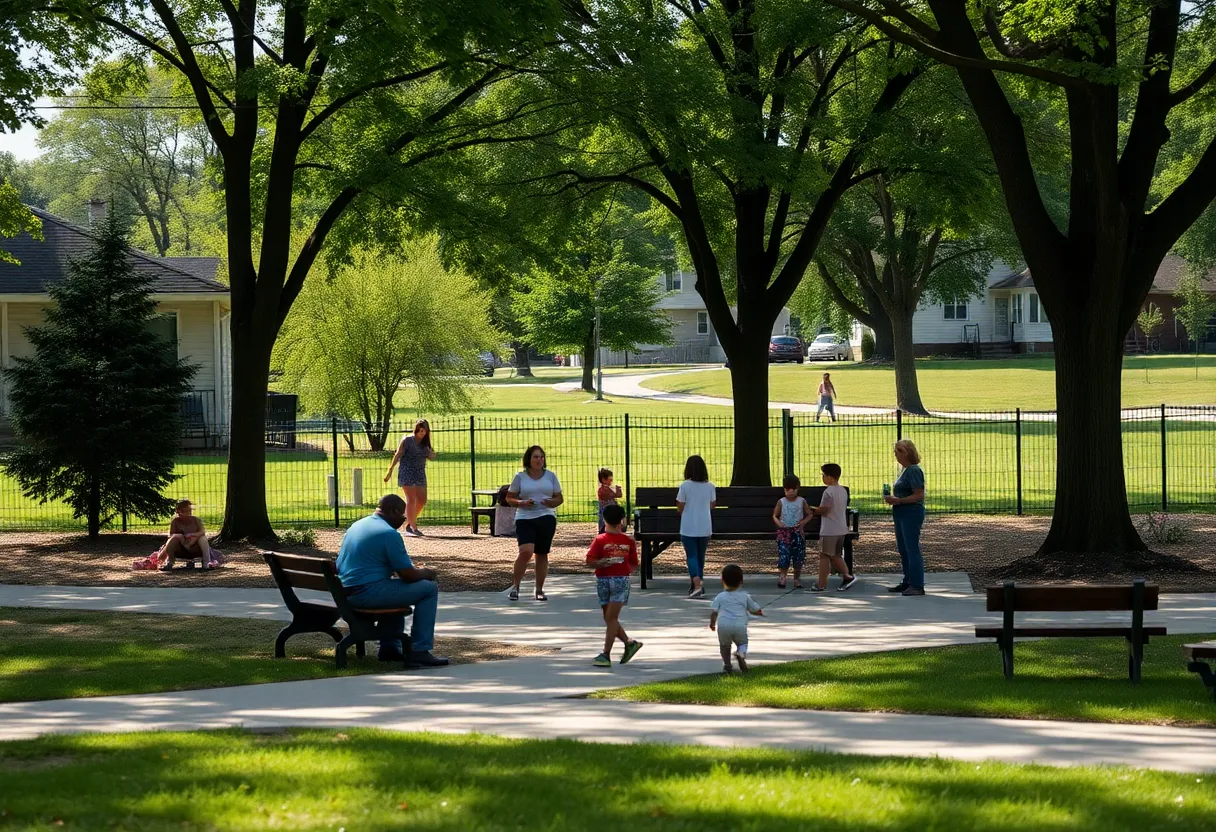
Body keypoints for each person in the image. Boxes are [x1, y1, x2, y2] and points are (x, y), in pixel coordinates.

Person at [336, 494, 449, 666]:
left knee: (393, 588)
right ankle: (420, 649)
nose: (403, 520)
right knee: (428, 589)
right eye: (402, 516)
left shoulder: (358, 525)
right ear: (393, 510)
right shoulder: (388, 533)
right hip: (366, 593)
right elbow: (408, 575)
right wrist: (427, 573)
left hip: (346, 592)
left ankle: (390, 648)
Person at [586, 504, 644, 668]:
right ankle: (629, 643)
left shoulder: (627, 540)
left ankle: (606, 654)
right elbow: (590, 561)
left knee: (611, 618)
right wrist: (602, 563)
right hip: (603, 579)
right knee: (608, 617)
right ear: (622, 520)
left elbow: (633, 563)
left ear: (604, 519)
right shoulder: (600, 540)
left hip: (619, 580)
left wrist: (624, 572)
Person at [506, 445, 563, 601]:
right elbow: (509, 498)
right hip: (525, 517)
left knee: (542, 553)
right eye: (536, 457)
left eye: (541, 457)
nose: (539, 460)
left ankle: (539, 589)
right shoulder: (520, 477)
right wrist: (521, 502)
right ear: (529, 460)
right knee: (526, 551)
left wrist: (551, 502)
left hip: (546, 516)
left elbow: (559, 498)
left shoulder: (550, 476)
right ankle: (516, 586)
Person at [884, 439, 926, 596]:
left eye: (900, 450)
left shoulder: (914, 470)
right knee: (903, 549)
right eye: (895, 450)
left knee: (911, 548)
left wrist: (899, 500)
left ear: (908, 453)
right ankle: (908, 580)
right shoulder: (904, 470)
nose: (896, 454)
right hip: (900, 512)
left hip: (911, 513)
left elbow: (918, 495)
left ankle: (917, 584)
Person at [383, 419, 437, 537]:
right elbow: (397, 455)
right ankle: (413, 527)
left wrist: (432, 454)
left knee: (422, 500)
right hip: (407, 472)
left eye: (425, 431)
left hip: (419, 473)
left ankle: (408, 521)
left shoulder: (425, 443)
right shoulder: (407, 440)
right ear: (416, 429)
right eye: (421, 431)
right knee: (411, 500)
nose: (422, 433)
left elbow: (431, 455)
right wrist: (390, 470)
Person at [810, 463, 858, 592]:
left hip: (829, 529)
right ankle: (846, 576)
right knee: (835, 555)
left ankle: (822, 584)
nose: (823, 478)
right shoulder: (842, 490)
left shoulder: (828, 492)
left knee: (824, 555)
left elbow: (825, 509)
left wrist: (812, 510)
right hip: (841, 527)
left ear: (830, 477)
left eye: (824, 475)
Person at [709, 564, 762, 674]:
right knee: (742, 643)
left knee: (724, 646)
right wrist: (758, 612)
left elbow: (714, 612)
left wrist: (712, 623)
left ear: (722, 580)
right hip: (739, 626)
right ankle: (740, 655)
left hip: (723, 626)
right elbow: (755, 609)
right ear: (741, 582)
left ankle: (727, 665)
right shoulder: (745, 596)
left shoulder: (720, 596)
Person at [676, 454, 716, 598]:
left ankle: (697, 583)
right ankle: (698, 584)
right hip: (705, 526)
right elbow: (712, 505)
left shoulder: (685, 486)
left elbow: (680, 505)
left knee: (691, 555)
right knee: (701, 556)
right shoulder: (710, 486)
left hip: (688, 526)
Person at [772, 474, 812, 589]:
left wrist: (803, 522)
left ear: (797, 488)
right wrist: (779, 523)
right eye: (787, 489)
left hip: (797, 533)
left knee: (798, 556)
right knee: (784, 555)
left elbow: (809, 514)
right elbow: (775, 515)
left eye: (793, 489)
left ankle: (796, 578)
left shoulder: (801, 501)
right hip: (784, 534)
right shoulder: (781, 502)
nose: (790, 492)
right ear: (784, 489)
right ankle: (783, 577)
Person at [157, 500, 212, 571]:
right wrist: (181, 538)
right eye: (186, 511)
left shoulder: (196, 520)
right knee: (173, 539)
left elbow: (202, 532)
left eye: (190, 511)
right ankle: (170, 562)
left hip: (194, 547)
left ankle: (206, 564)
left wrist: (194, 536)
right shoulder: (175, 522)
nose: (189, 513)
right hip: (181, 549)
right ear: (179, 512)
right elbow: (171, 536)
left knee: (203, 538)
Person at [596, 467, 623, 533]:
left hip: (609, 511)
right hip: (606, 512)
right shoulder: (603, 490)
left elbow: (617, 495)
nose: (611, 481)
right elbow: (616, 495)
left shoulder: (607, 488)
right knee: (604, 520)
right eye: (610, 479)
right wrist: (617, 490)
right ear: (604, 480)